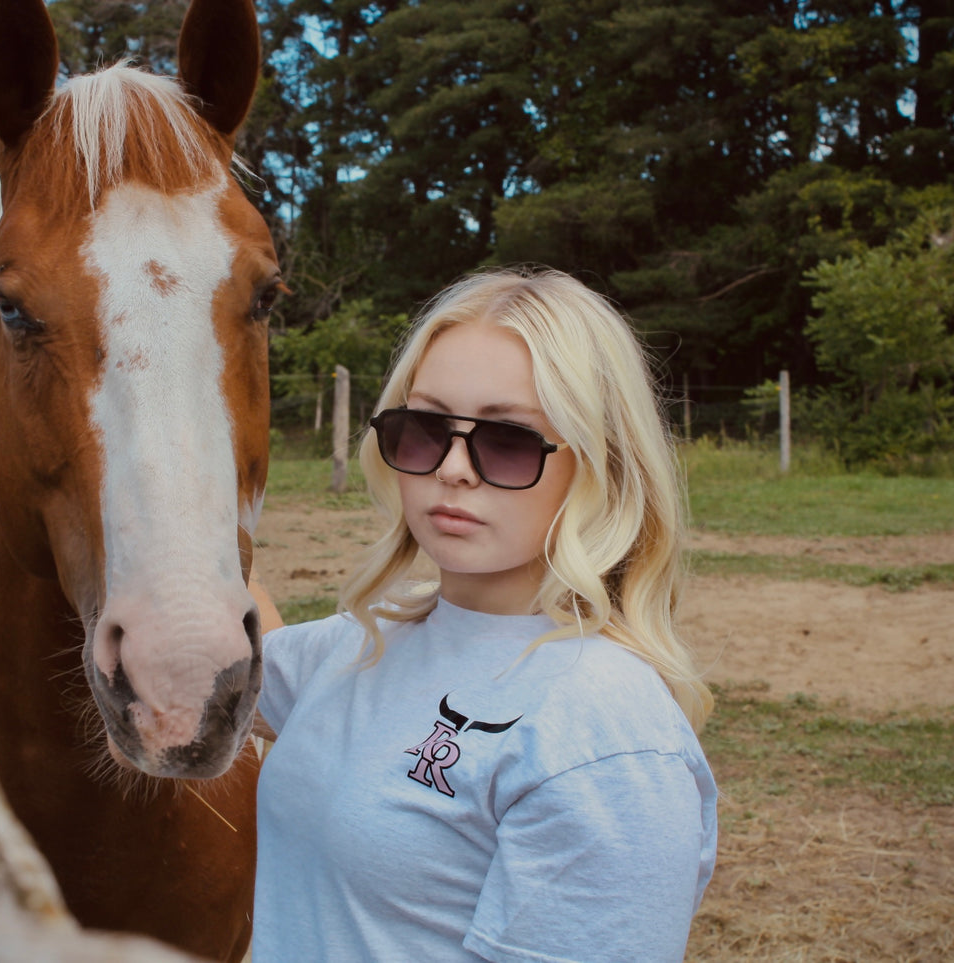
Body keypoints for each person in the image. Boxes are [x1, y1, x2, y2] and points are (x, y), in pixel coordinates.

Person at [251, 267, 717, 962]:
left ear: (600, 464)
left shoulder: (603, 735)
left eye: (507, 440)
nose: (453, 468)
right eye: (423, 428)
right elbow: (218, 656)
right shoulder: (368, 641)